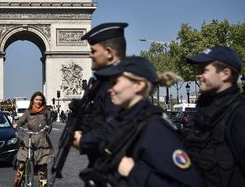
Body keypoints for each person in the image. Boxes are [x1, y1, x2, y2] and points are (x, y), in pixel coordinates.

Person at [80, 56, 204, 187]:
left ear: (138, 85)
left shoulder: (155, 128)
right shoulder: (126, 121)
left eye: (115, 82)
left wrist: (133, 172)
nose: (109, 89)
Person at [184, 46, 245, 186]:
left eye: (204, 70)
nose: (198, 75)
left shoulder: (239, 113)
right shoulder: (204, 109)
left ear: (225, 74)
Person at [72, 22, 128, 167]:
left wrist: (83, 141)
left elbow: (116, 127)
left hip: (114, 167)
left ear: (109, 52)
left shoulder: (117, 83)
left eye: (93, 51)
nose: (89, 55)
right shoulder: (102, 82)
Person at [13, 91, 53, 187]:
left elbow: (49, 123)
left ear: (43, 101)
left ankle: (43, 185)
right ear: (33, 101)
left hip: (42, 141)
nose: (38, 102)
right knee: (21, 165)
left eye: (40, 100)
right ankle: (17, 184)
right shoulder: (28, 112)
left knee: (43, 168)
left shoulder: (46, 112)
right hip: (29, 140)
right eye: (36, 99)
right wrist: (16, 125)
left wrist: (48, 128)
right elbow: (21, 121)